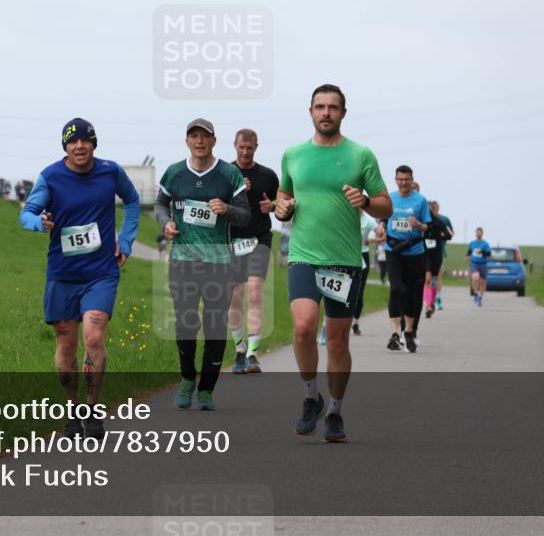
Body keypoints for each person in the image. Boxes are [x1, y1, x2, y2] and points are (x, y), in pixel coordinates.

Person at [275, 84, 391, 442]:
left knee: (338, 342)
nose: (326, 113)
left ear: (343, 113)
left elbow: (386, 205)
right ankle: (312, 397)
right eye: (320, 107)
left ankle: (336, 413)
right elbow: (284, 194)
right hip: (304, 257)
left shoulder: (360, 155)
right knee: (304, 328)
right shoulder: (293, 154)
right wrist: (283, 207)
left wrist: (366, 200)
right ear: (310, 111)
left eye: (333, 107)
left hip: (344, 262)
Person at [20, 118, 140, 439]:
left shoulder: (110, 171)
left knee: (94, 337)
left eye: (85, 141)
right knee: (66, 344)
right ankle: (73, 412)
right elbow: (26, 212)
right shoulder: (50, 177)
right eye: (72, 142)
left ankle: (93, 412)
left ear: (93, 143)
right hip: (62, 274)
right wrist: (37, 222)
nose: (79, 146)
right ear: (65, 147)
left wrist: (126, 239)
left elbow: (132, 200)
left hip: (101, 272)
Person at [156, 119, 250, 411]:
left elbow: (246, 215)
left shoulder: (228, 174)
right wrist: (166, 222)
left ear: (213, 141)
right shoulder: (174, 173)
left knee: (214, 326)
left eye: (204, 137)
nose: (199, 141)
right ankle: (186, 379)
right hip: (183, 260)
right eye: (193, 136)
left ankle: (207, 389)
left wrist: (228, 209)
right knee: (186, 323)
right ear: (187, 141)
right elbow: (160, 204)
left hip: (218, 262)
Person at [228, 128, 279, 375]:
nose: (245, 152)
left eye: (250, 148)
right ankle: (239, 349)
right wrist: (236, 192)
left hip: (259, 238)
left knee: (255, 291)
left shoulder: (268, 175)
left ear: (256, 147)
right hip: (231, 241)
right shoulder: (224, 174)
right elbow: (213, 206)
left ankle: (253, 354)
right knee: (234, 295)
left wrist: (272, 206)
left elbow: (281, 205)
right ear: (234, 146)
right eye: (241, 147)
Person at [384, 165, 431, 353]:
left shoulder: (420, 200)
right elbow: (382, 218)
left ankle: (409, 332)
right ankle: (395, 333)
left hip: (415, 252)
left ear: (412, 180)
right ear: (396, 179)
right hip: (393, 250)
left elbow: (428, 227)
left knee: (412, 293)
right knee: (396, 289)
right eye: (400, 179)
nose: (403, 183)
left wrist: (418, 225)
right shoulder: (390, 198)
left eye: (407, 179)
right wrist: (380, 226)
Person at [319, 210, 377, 343]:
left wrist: (373, 237)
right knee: (329, 294)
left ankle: (347, 326)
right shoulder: (339, 214)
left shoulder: (367, 220)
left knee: (348, 296)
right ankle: (324, 329)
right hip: (333, 258)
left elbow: (379, 230)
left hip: (353, 260)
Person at [422, 201, 454, 316]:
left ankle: (432, 301)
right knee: (427, 279)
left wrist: (439, 235)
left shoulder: (439, 222)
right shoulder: (421, 221)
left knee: (434, 279)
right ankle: (428, 305)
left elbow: (449, 235)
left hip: (436, 254)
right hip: (424, 254)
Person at [467, 227, 492, 307]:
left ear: (482, 234)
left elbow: (489, 254)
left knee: (483, 282)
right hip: (474, 264)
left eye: (479, 232)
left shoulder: (485, 244)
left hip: (483, 264)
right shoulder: (472, 243)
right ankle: (476, 294)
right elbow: (469, 253)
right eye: (477, 232)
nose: (478, 234)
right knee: (475, 278)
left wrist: (482, 251)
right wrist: (467, 257)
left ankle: (480, 297)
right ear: (475, 233)